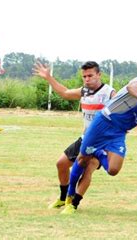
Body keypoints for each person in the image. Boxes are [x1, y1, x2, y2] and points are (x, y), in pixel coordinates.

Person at [62, 55, 137, 214]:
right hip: (104, 122)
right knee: (82, 159)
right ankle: (70, 199)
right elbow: (131, 87)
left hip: (119, 132)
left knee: (113, 170)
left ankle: (100, 153)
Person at [33, 61, 115, 209]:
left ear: (99, 75)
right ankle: (63, 198)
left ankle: (73, 204)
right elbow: (64, 93)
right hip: (85, 138)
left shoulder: (110, 93)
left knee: (88, 168)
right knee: (61, 164)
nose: (87, 79)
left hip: (102, 142)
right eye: (84, 76)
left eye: (90, 75)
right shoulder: (84, 91)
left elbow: (121, 112)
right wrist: (48, 77)